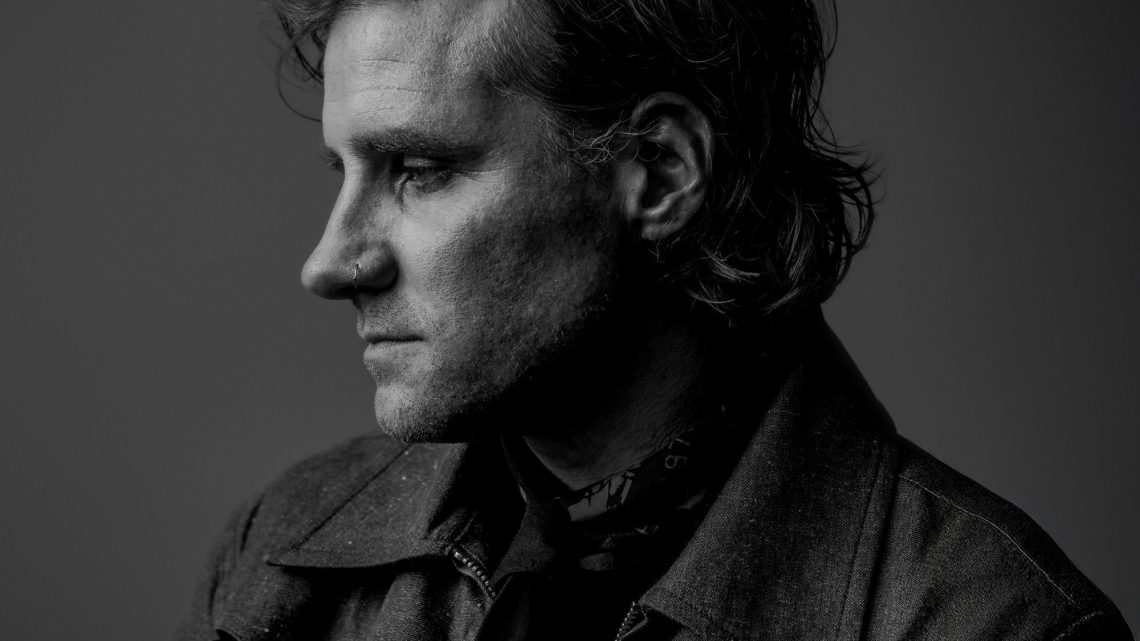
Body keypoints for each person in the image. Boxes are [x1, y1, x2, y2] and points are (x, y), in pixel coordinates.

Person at [180, 0, 1133, 639]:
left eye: (419, 173)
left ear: (663, 172)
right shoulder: (279, 556)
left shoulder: (993, 622)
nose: (329, 262)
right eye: (342, 171)